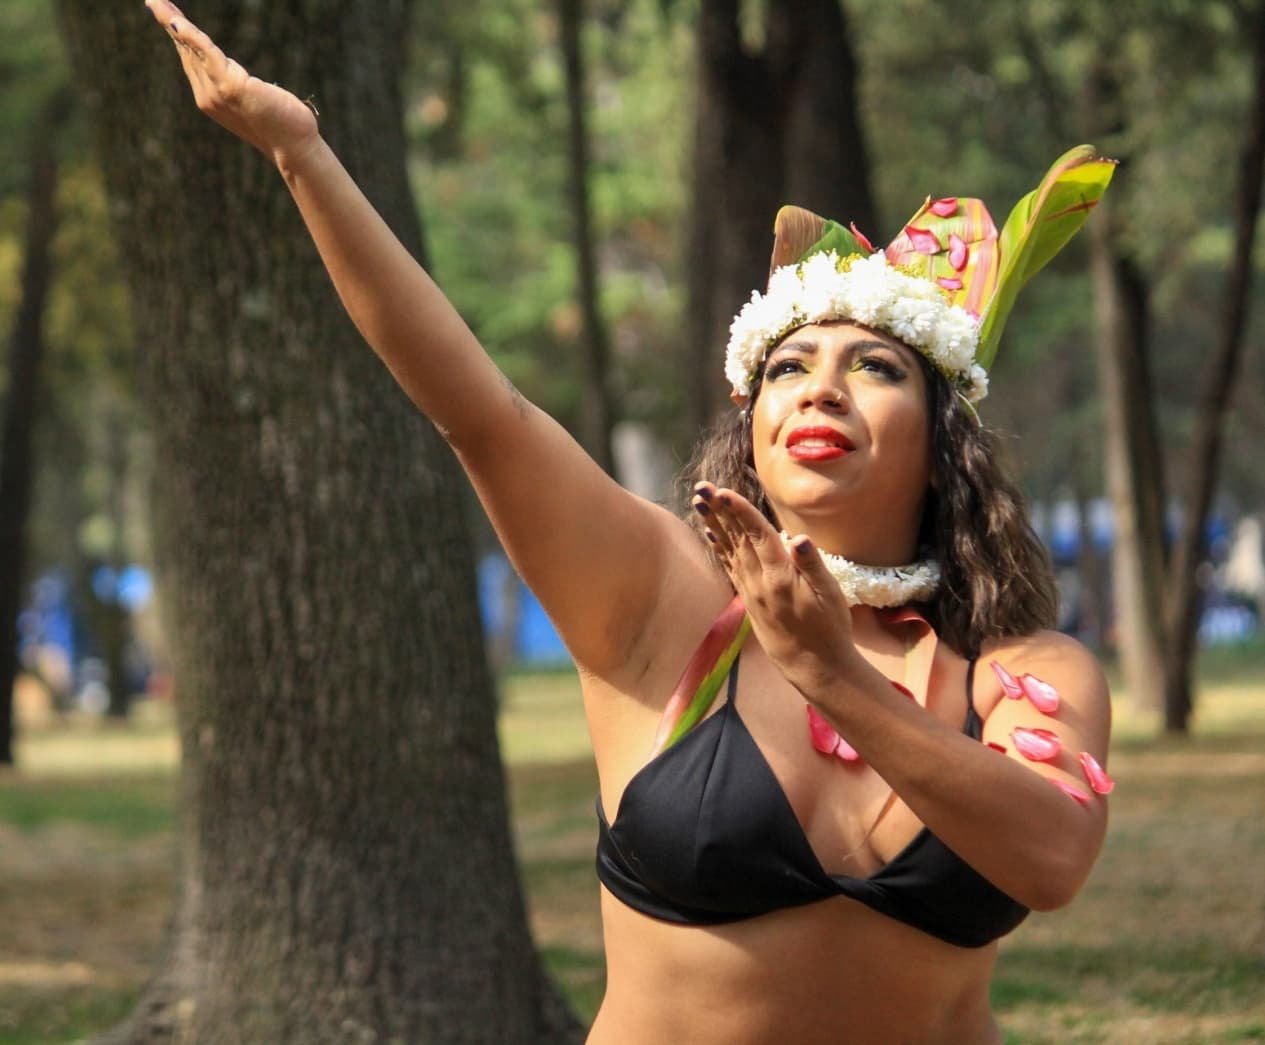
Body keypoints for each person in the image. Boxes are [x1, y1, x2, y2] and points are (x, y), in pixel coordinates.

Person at [145, 3, 1116, 1041]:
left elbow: (1050, 859)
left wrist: (831, 672)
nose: (819, 389)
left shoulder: (1019, 670)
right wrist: (301, 156)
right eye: (787, 366)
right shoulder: (662, 598)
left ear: (943, 436)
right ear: (753, 424)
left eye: (873, 366)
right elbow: (480, 413)